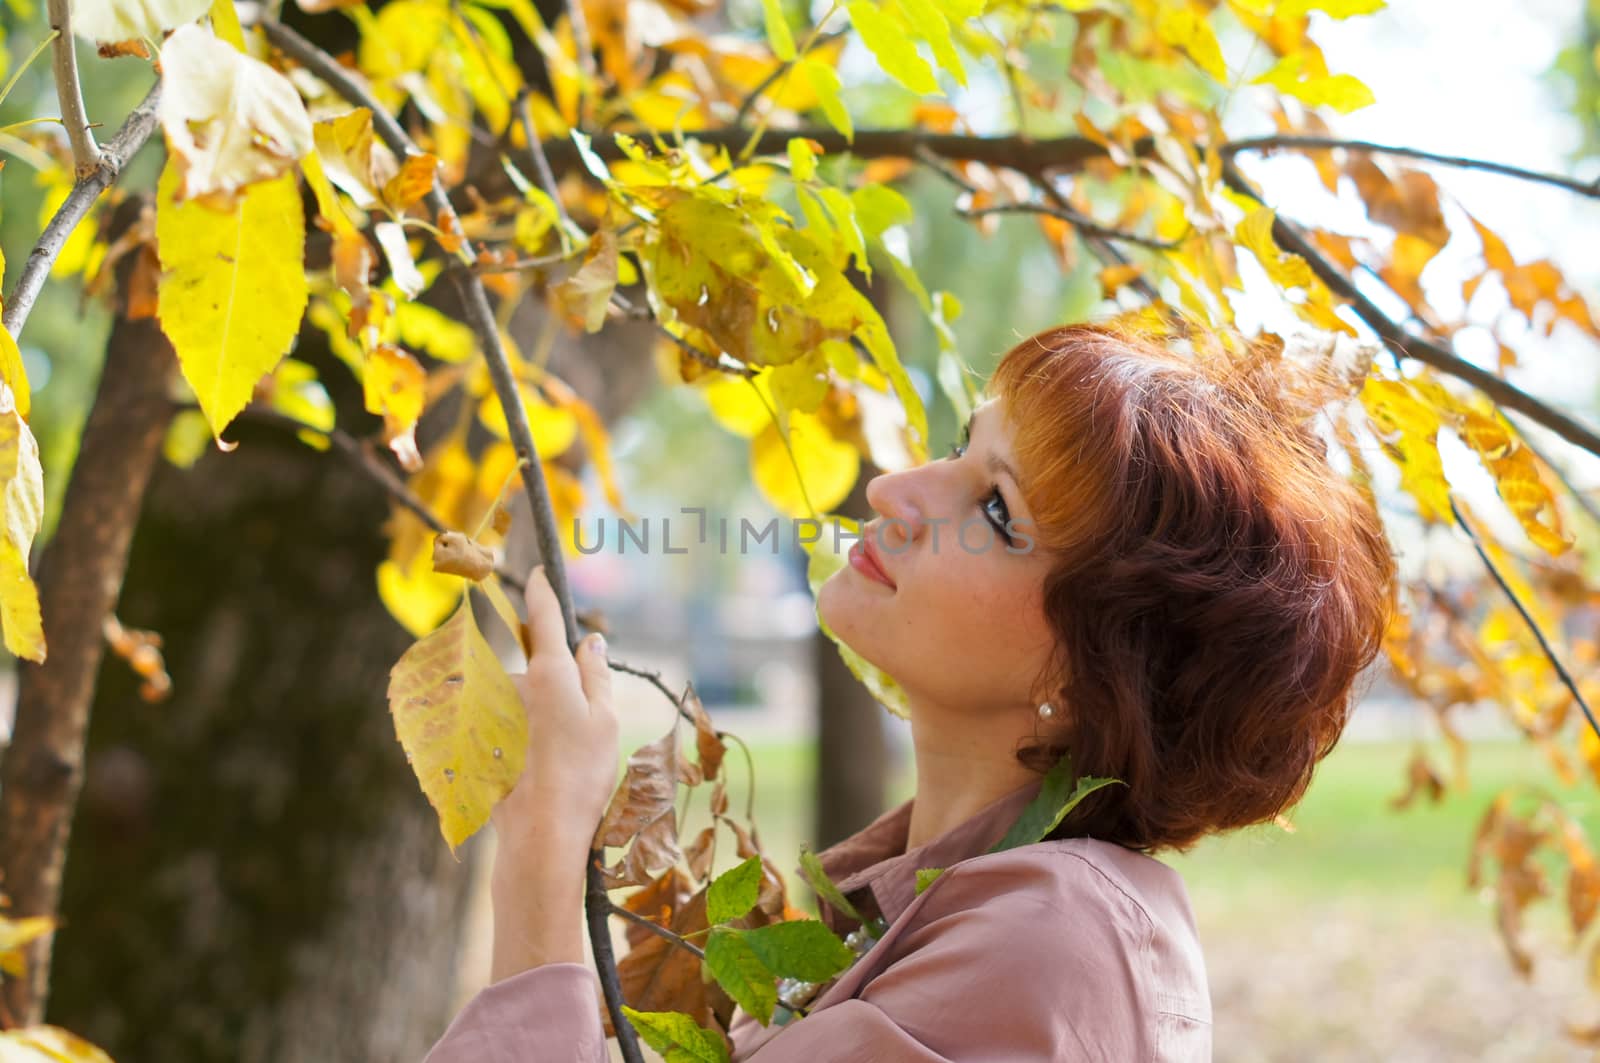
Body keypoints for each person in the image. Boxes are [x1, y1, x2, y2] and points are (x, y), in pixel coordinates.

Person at [422, 320, 1398, 1061]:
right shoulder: (924, 908)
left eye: (993, 508)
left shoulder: (1047, 949)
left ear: (1087, 665)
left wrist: (544, 844)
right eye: (958, 449)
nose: (895, 488)